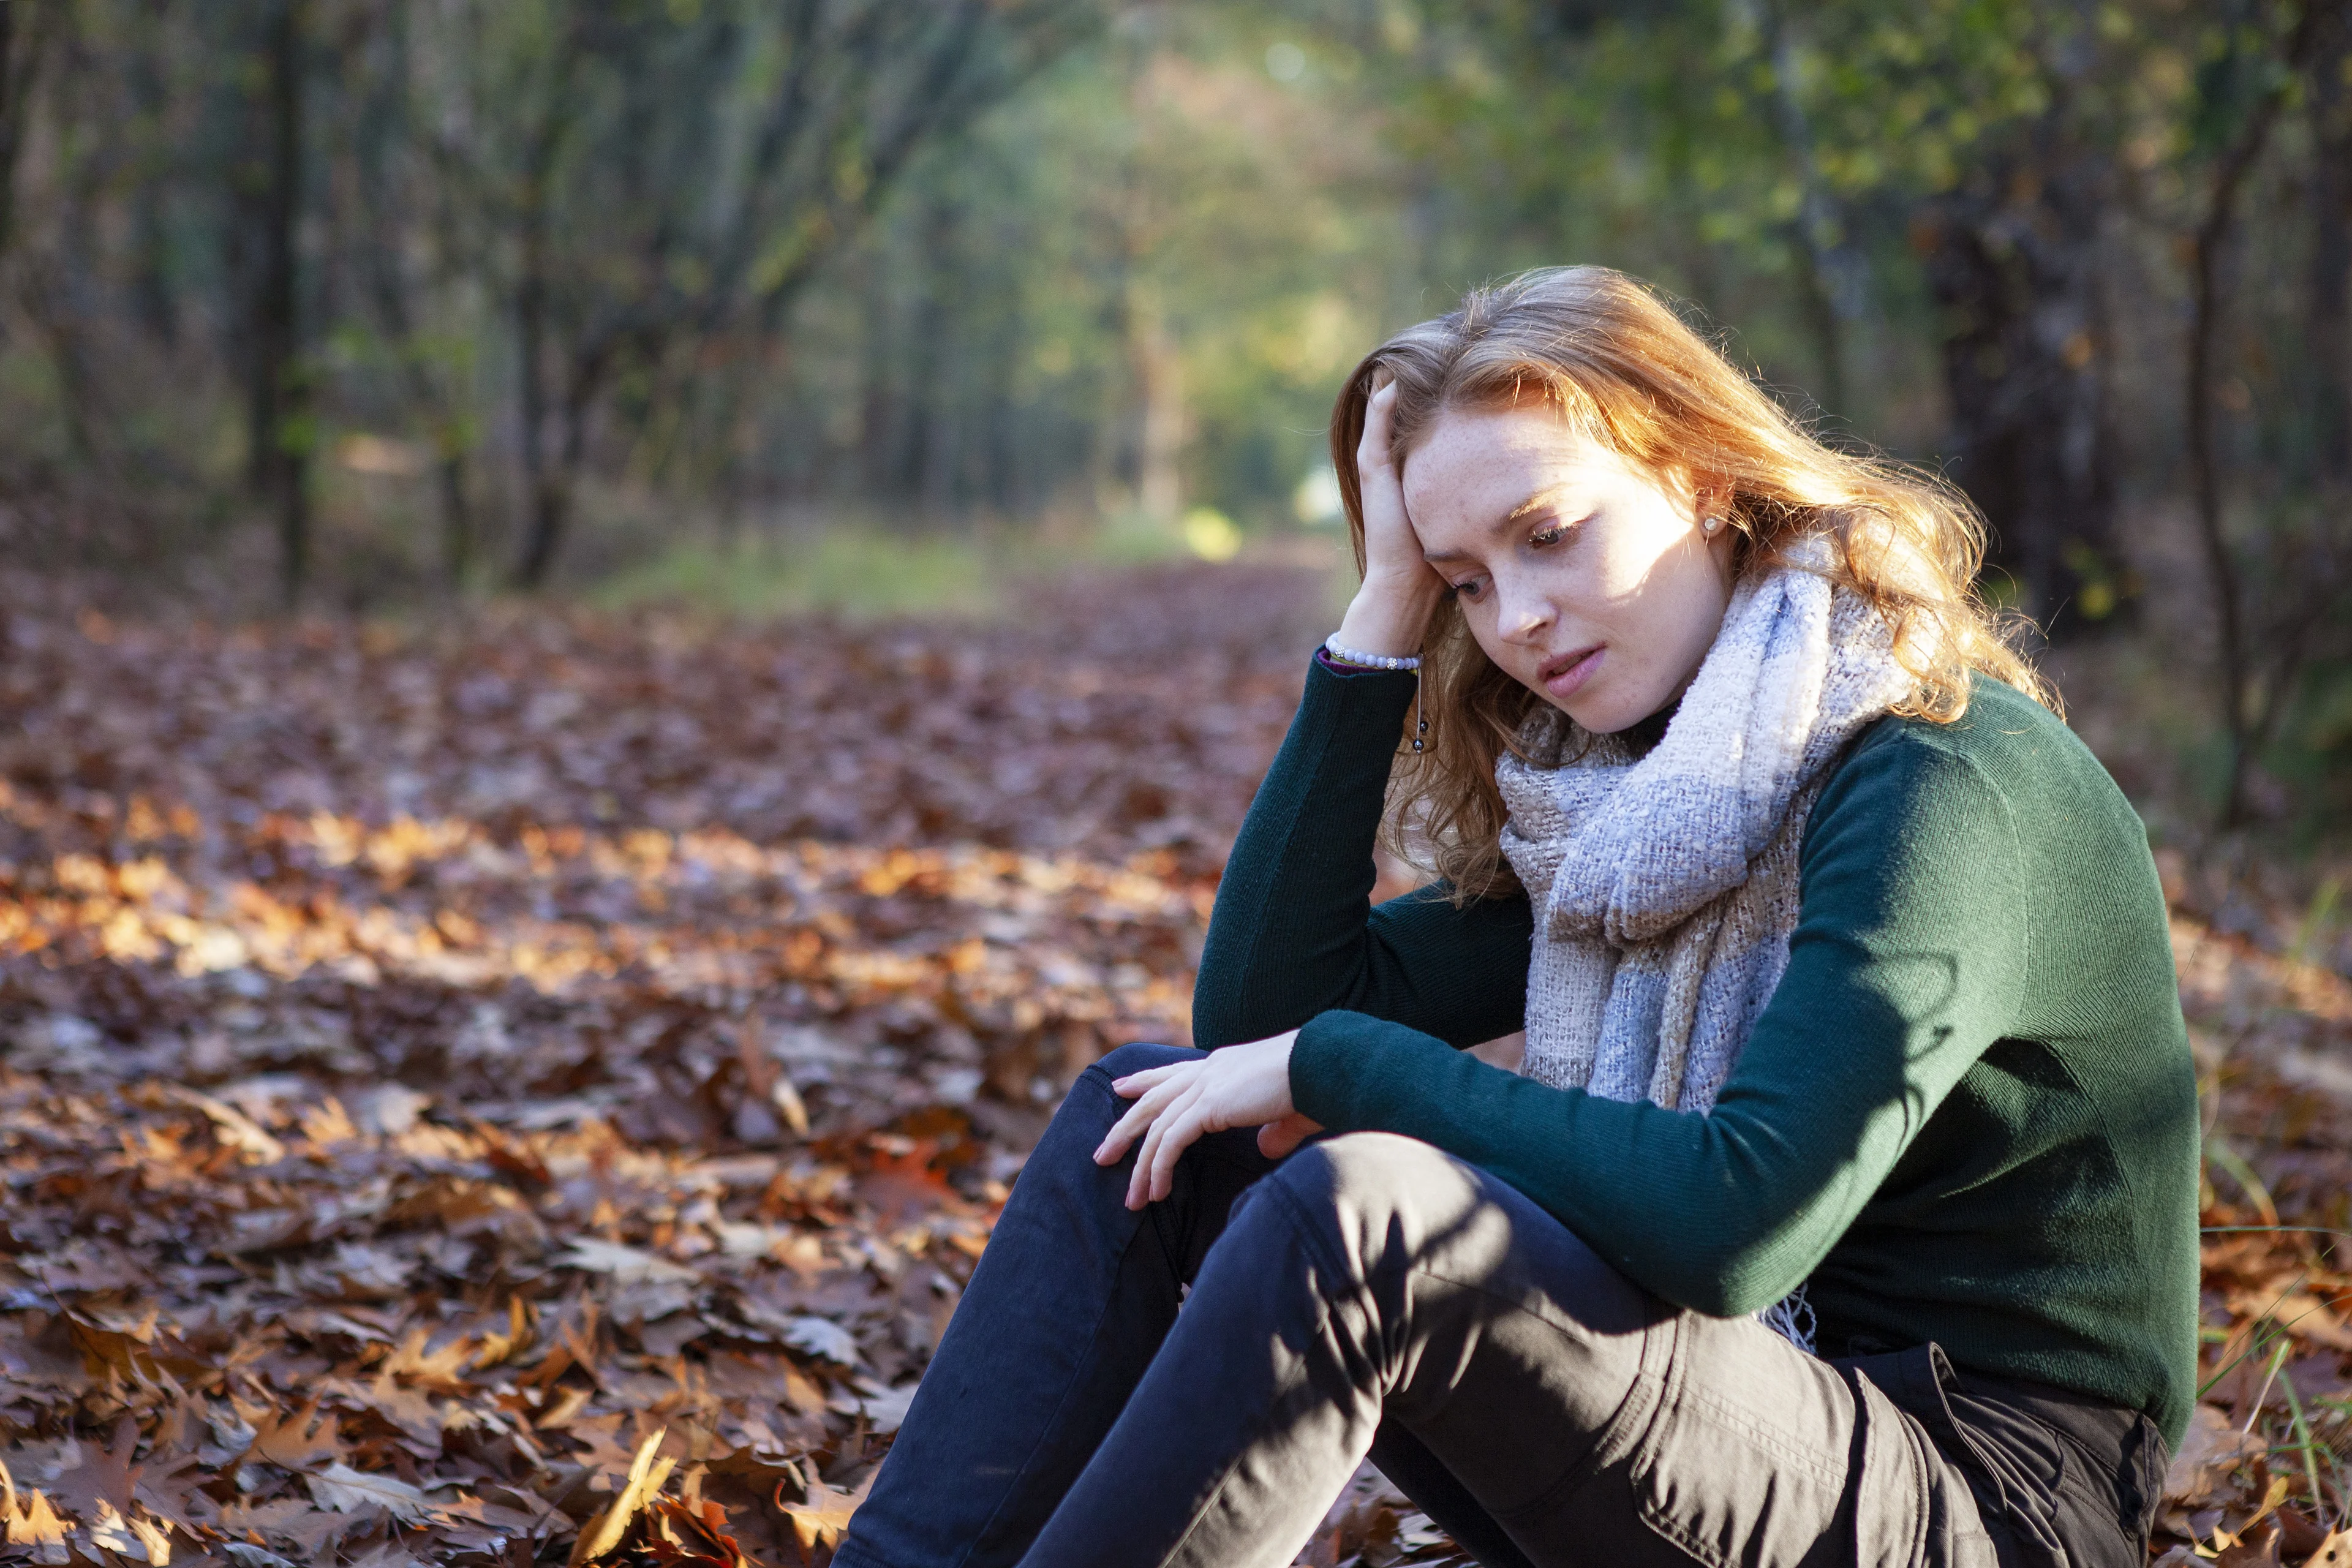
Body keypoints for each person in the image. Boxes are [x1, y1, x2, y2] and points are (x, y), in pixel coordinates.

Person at [831, 267, 2197, 1568]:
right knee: (1152, 1118)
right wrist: (1384, 610)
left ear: (1704, 475)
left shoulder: (1943, 777)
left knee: (1369, 1222)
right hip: (1720, 1433)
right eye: (1468, 580)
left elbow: (1733, 1225)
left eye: (1550, 535)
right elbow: (1258, 1021)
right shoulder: (1643, 811)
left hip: (1982, 1496)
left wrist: (1339, 1068)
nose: (1519, 620)